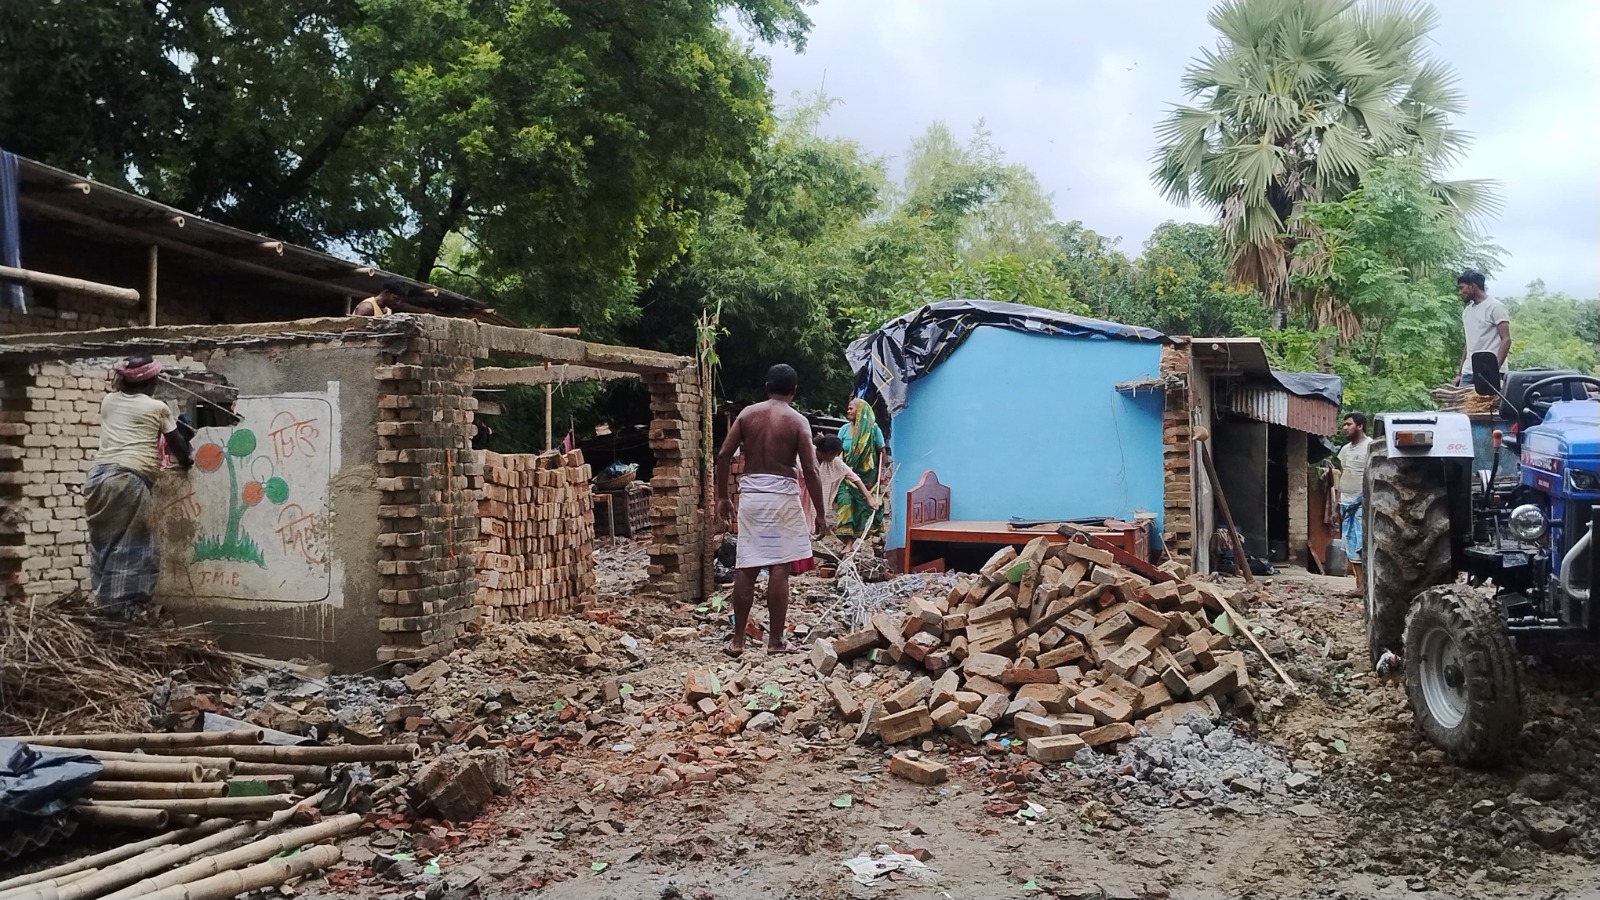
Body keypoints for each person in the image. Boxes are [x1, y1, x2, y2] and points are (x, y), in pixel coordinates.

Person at [715, 364, 825, 656]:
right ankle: (775, 642)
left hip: (751, 496)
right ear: (794, 391)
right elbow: (811, 471)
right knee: (780, 566)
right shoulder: (797, 420)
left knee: (746, 565)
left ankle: (737, 641)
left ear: (766, 387)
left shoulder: (747, 414)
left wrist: (722, 497)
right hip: (783, 498)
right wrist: (822, 513)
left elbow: (724, 455)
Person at [86, 354, 193, 616]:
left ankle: (104, 605)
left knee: (105, 543)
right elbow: (177, 444)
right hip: (128, 479)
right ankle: (122, 612)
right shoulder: (156, 407)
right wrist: (187, 460)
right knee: (135, 547)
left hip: (98, 479)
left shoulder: (108, 401)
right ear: (151, 380)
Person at [835, 397, 886, 553]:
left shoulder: (873, 429)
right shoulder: (844, 429)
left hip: (868, 477)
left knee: (867, 507)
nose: (848, 411)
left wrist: (882, 471)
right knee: (845, 503)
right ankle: (848, 542)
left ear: (861, 410)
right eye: (848, 408)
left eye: (851, 408)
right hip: (846, 474)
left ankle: (876, 540)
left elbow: (881, 451)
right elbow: (838, 450)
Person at [1331, 412, 1371, 596]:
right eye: (1344, 424)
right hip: (1346, 502)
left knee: (1361, 544)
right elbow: (1342, 476)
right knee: (1350, 544)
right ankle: (1359, 585)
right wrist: (1336, 504)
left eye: (1349, 424)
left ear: (1360, 426)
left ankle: (1366, 586)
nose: (1345, 428)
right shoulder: (1346, 450)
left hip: (1362, 502)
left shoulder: (1370, 446)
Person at [1456, 270, 1510, 385]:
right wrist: (1459, 374)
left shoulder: (1495, 307)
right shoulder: (1467, 311)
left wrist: (1493, 370)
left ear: (1472, 286)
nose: (1460, 292)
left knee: (1489, 403)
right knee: (1462, 402)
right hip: (1468, 373)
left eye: (1462, 288)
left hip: (1491, 373)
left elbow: (1506, 340)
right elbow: (1469, 343)